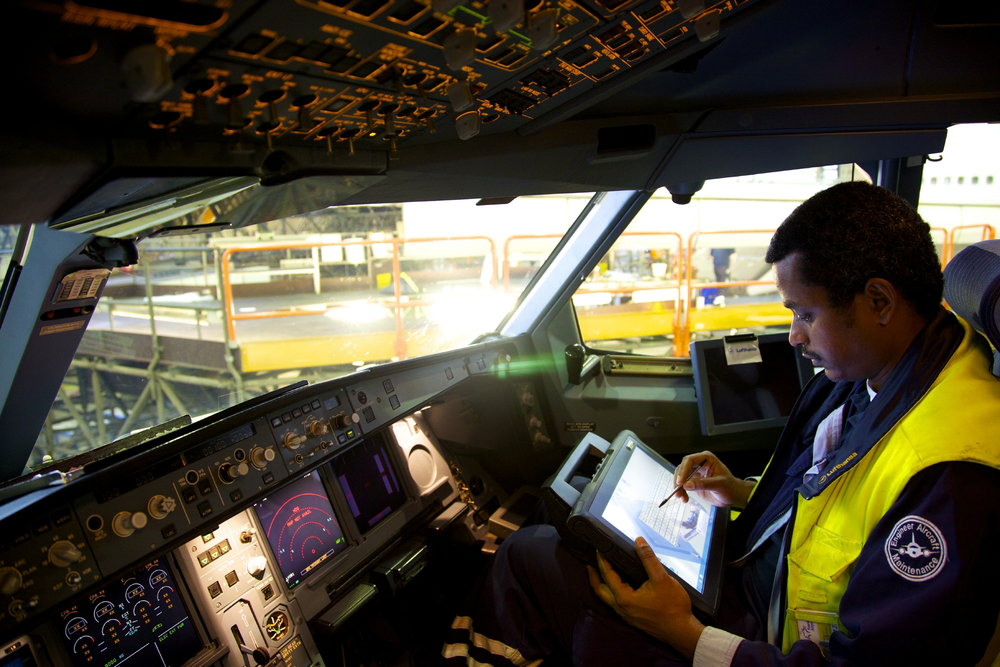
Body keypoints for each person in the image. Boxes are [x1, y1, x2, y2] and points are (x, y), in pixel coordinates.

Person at [441, 181, 1000, 667]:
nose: (795, 337)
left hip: (768, 652)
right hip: (754, 594)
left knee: (529, 558)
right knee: (551, 529)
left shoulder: (950, 477)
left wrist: (684, 633)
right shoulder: (894, 367)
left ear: (879, 300)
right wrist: (744, 494)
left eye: (805, 313)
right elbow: (845, 506)